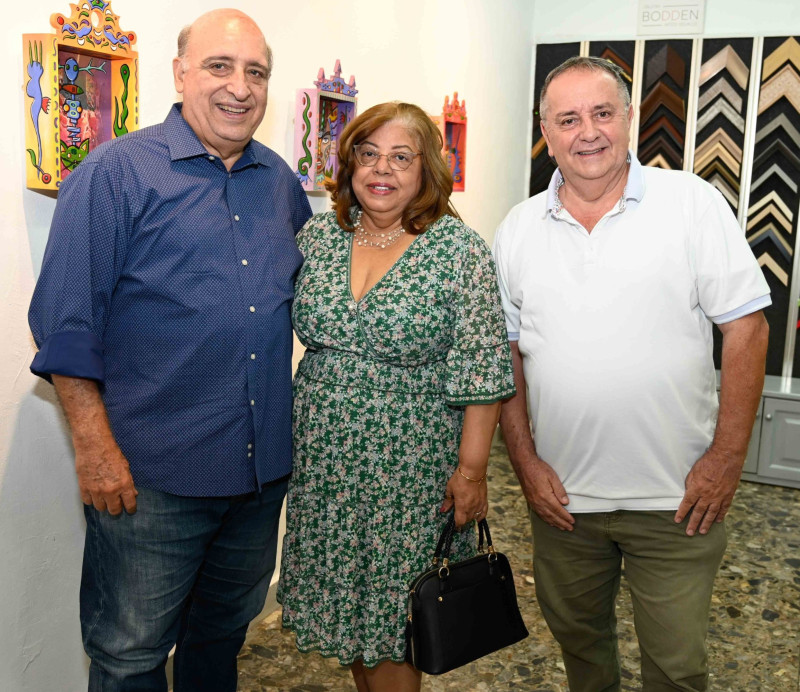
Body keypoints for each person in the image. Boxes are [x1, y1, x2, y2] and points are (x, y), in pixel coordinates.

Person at [27, 10, 311, 692]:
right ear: (181, 73)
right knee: (130, 656)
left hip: (258, 475)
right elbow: (64, 323)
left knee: (220, 637)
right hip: (151, 480)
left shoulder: (279, 184)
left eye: (256, 72)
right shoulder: (117, 174)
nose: (239, 87)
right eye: (219, 66)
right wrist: (94, 451)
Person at [492, 56, 770, 692]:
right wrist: (526, 464)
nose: (586, 131)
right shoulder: (518, 230)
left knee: (675, 668)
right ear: (547, 131)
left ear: (630, 119)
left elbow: (747, 329)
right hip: (564, 503)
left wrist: (728, 458)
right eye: (568, 119)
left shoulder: (692, 205)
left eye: (601, 113)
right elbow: (503, 352)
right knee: (582, 651)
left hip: (676, 503)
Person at [277, 102, 516, 692]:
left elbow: (481, 370)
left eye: (401, 157)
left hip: (409, 474)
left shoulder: (457, 252)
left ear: (427, 169)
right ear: (350, 162)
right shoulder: (321, 236)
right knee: (355, 622)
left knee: (395, 627)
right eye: (368, 153)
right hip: (326, 468)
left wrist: (472, 472)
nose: (381, 169)